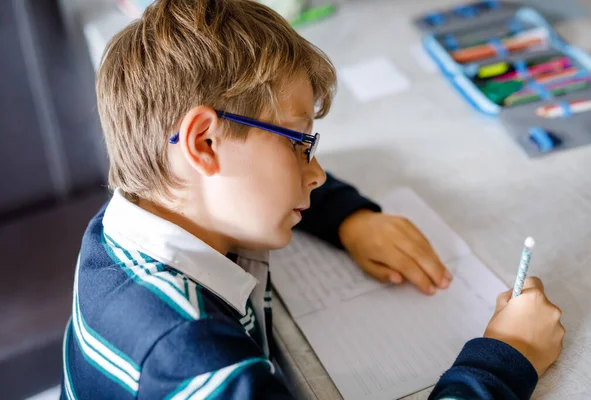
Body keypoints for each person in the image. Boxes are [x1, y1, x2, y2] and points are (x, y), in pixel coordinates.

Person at [61, 1, 564, 398]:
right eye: (300, 143)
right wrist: (508, 354)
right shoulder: (192, 359)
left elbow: (252, 176)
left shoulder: (136, 214)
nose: (317, 172)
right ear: (204, 143)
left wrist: (348, 218)